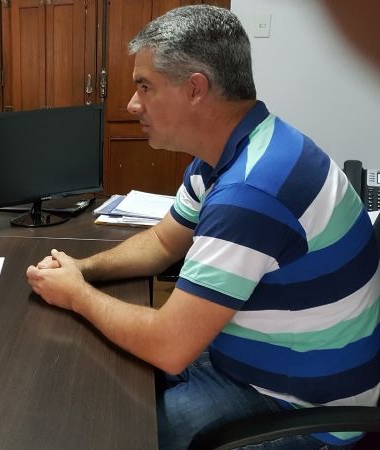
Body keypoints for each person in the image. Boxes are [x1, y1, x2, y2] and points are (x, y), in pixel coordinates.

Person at [26, 6, 379, 450]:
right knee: (106, 378)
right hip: (252, 360)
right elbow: (162, 242)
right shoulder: (229, 154)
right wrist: (81, 268)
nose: (132, 104)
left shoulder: (251, 192)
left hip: (302, 408)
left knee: (117, 430)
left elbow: (169, 346)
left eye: (145, 86)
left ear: (195, 89)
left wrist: (77, 295)